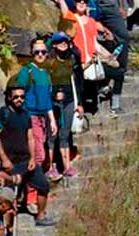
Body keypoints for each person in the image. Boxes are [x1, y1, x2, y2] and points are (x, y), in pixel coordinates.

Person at [73, 0, 129, 114]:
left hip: (109, 2)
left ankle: (119, 71)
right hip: (90, 2)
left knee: (123, 37)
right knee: (92, 39)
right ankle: (101, 83)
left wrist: (122, 5)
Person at [0, 85, 55, 227]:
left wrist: (33, 157)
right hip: (10, 163)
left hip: (26, 160)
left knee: (43, 185)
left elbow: (30, 137)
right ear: (9, 97)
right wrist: (4, 159)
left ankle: (40, 216)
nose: (19, 99)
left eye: (22, 97)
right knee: (8, 196)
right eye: (16, 97)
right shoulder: (3, 114)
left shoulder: (25, 114)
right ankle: (4, 226)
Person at [13, 38, 56, 181]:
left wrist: (52, 119)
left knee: (39, 153)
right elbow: (17, 95)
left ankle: (36, 188)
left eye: (43, 52)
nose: (40, 55)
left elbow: (47, 99)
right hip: (30, 117)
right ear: (31, 53)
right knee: (38, 155)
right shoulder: (27, 71)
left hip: (42, 118)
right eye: (37, 52)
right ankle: (34, 189)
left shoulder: (45, 73)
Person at [43, 32, 81, 180]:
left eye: (65, 41)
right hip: (53, 102)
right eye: (59, 42)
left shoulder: (71, 58)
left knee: (65, 134)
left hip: (69, 100)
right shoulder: (49, 62)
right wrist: (54, 95)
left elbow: (78, 81)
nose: (63, 43)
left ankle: (66, 167)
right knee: (52, 135)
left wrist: (80, 103)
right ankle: (51, 166)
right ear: (54, 45)